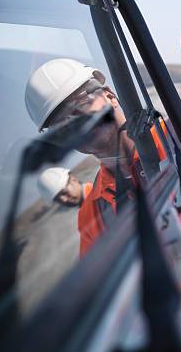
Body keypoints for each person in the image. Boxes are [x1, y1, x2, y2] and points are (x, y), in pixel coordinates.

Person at [25, 58, 138, 257]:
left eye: (81, 104)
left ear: (110, 95)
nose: (74, 124)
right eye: (60, 125)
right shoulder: (91, 217)